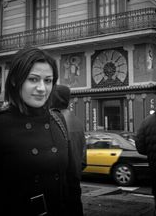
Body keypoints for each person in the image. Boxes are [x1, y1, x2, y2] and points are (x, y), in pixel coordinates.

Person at [0, 46, 84, 216]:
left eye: (48, 81)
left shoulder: (58, 120)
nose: (42, 88)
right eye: (33, 79)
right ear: (16, 80)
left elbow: (72, 184)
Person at [51, 84, 86, 215]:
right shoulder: (77, 120)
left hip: (59, 184)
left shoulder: (52, 119)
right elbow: (84, 158)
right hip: (75, 181)